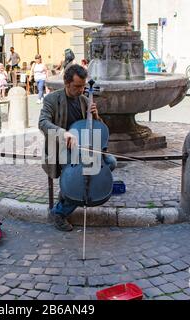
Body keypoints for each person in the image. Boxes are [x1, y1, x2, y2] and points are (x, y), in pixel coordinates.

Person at [38, 64, 117, 232]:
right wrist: (63, 133)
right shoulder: (52, 99)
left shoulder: (85, 100)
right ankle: (59, 213)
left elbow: (99, 130)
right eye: (77, 86)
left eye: (83, 86)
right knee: (79, 174)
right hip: (60, 149)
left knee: (110, 162)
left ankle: (70, 192)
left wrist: (96, 116)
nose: (82, 90)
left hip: (82, 149)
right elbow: (42, 123)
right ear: (66, 83)